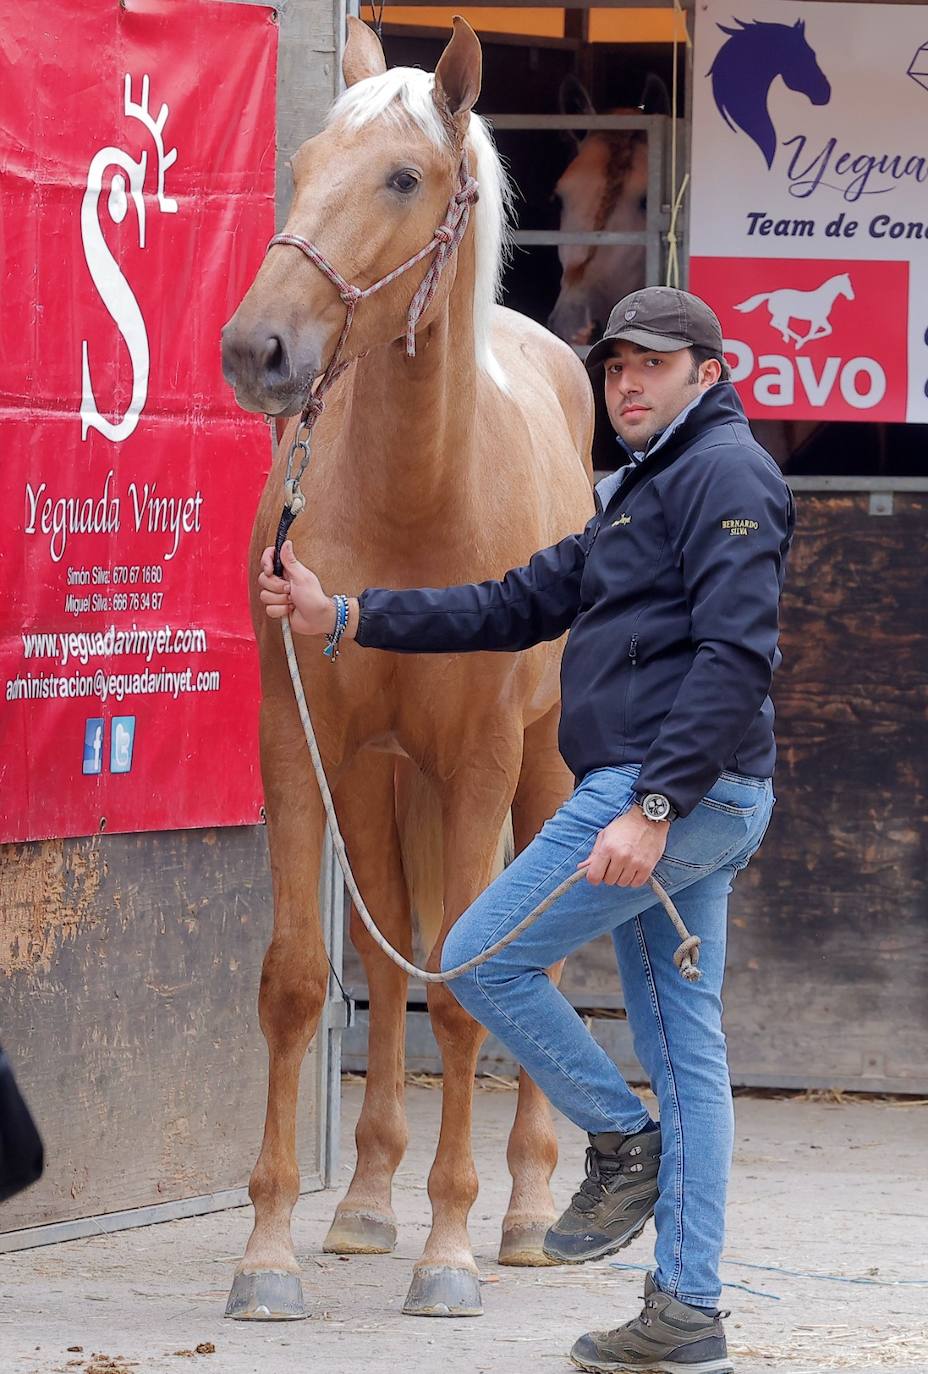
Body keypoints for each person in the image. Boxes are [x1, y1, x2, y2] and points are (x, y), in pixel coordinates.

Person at [258, 286, 794, 1374]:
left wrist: (651, 809)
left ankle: (616, 1139)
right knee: (688, 1057)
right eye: (616, 368)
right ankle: (686, 1312)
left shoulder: (729, 476)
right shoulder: (634, 491)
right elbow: (509, 603)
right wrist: (348, 617)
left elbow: (737, 661)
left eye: (653, 364)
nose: (629, 383)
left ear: (711, 372)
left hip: (667, 794)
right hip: (681, 794)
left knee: (478, 957)